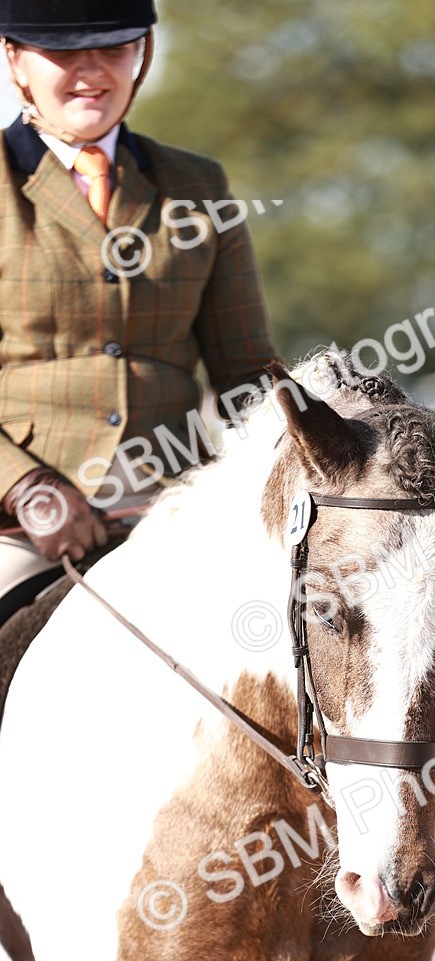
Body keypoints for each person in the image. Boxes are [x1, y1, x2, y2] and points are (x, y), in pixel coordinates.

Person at [0, 0, 276, 621]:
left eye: (114, 49)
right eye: (63, 53)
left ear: (143, 55)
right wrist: (27, 489)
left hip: (177, 501)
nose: (91, 72)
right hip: (20, 520)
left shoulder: (198, 186)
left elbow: (248, 371)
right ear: (14, 58)